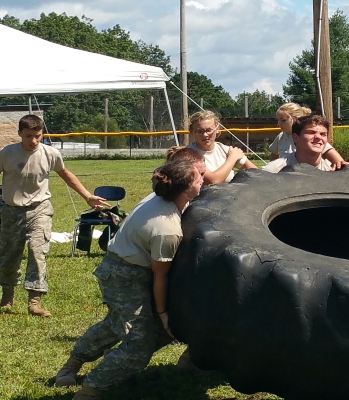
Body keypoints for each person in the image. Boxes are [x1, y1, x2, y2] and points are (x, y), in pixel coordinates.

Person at [54, 158, 206, 399]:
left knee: (114, 326)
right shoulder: (167, 228)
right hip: (125, 276)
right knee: (138, 347)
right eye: (198, 177)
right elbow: (160, 275)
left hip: (121, 267)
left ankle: (72, 364)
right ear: (186, 189)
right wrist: (162, 314)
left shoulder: (159, 197)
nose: (202, 179)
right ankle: (90, 391)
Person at [0, 115, 110, 317]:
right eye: (28, 136)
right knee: (9, 255)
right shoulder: (7, 153)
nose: (33, 141)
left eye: (37, 136)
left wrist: (87, 196)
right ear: (19, 134)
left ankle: (35, 301)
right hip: (11, 210)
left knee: (37, 251)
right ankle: (7, 298)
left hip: (40, 208)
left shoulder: (50, 153)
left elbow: (65, 173)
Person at [269, 102, 347, 169]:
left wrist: (340, 166)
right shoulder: (281, 137)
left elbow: (338, 160)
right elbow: (274, 156)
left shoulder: (312, 138)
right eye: (278, 120)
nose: (278, 123)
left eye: (283, 120)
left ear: (296, 119)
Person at [186, 110, 256, 184]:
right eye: (200, 131)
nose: (205, 135)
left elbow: (257, 173)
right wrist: (232, 158)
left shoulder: (226, 150)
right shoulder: (187, 155)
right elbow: (213, 181)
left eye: (209, 130)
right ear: (192, 131)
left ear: (217, 129)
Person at [262, 114, 333, 173]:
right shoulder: (275, 170)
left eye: (323, 134)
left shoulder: (332, 171)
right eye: (311, 132)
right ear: (296, 137)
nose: (318, 137)